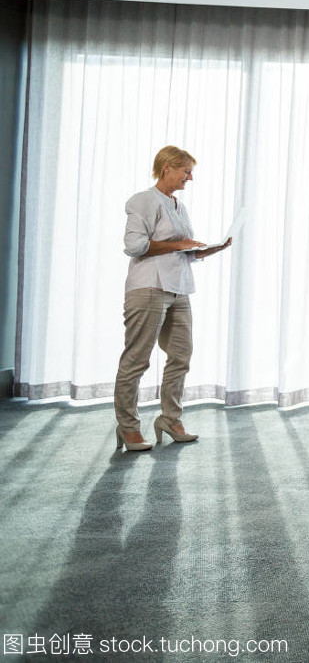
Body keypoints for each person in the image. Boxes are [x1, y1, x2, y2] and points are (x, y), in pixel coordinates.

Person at [114, 145, 232, 451]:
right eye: (186, 171)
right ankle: (128, 427)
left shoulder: (178, 205)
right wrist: (178, 244)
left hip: (179, 289)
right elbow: (134, 245)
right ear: (167, 167)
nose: (190, 177)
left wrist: (207, 249)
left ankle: (170, 419)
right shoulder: (144, 200)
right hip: (148, 288)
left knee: (181, 356)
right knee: (137, 359)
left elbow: (179, 250)